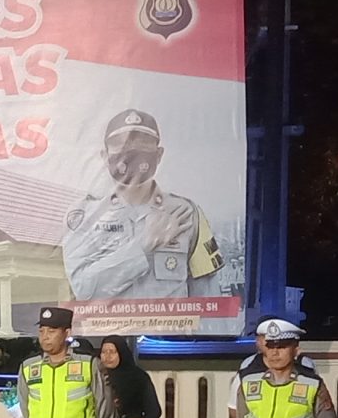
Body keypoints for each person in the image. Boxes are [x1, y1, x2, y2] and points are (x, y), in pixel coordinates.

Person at [59, 108, 222, 298]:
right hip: (109, 328)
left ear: (159, 154)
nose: (132, 151)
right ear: (105, 156)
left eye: (143, 144)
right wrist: (143, 246)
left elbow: (209, 300)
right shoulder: (84, 215)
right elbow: (84, 290)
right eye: (121, 145)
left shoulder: (186, 213)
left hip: (169, 328)